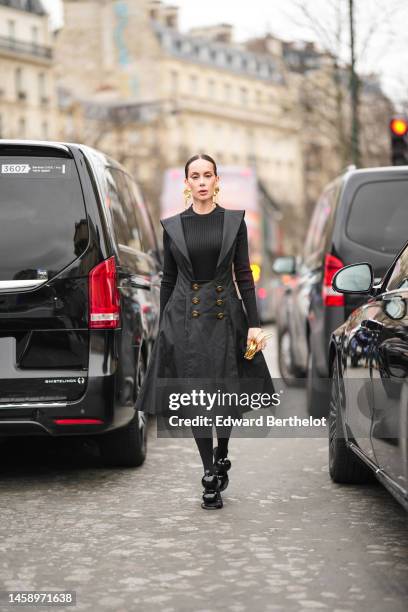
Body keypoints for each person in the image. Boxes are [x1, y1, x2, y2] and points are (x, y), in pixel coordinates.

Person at [134, 154, 275, 510]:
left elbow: (244, 274)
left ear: (216, 181)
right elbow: (168, 279)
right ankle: (209, 472)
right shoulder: (173, 226)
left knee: (226, 394)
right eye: (194, 176)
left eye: (207, 175)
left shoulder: (233, 222)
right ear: (187, 182)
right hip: (184, 319)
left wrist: (254, 323)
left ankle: (222, 449)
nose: (200, 181)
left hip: (226, 316)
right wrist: (163, 322)